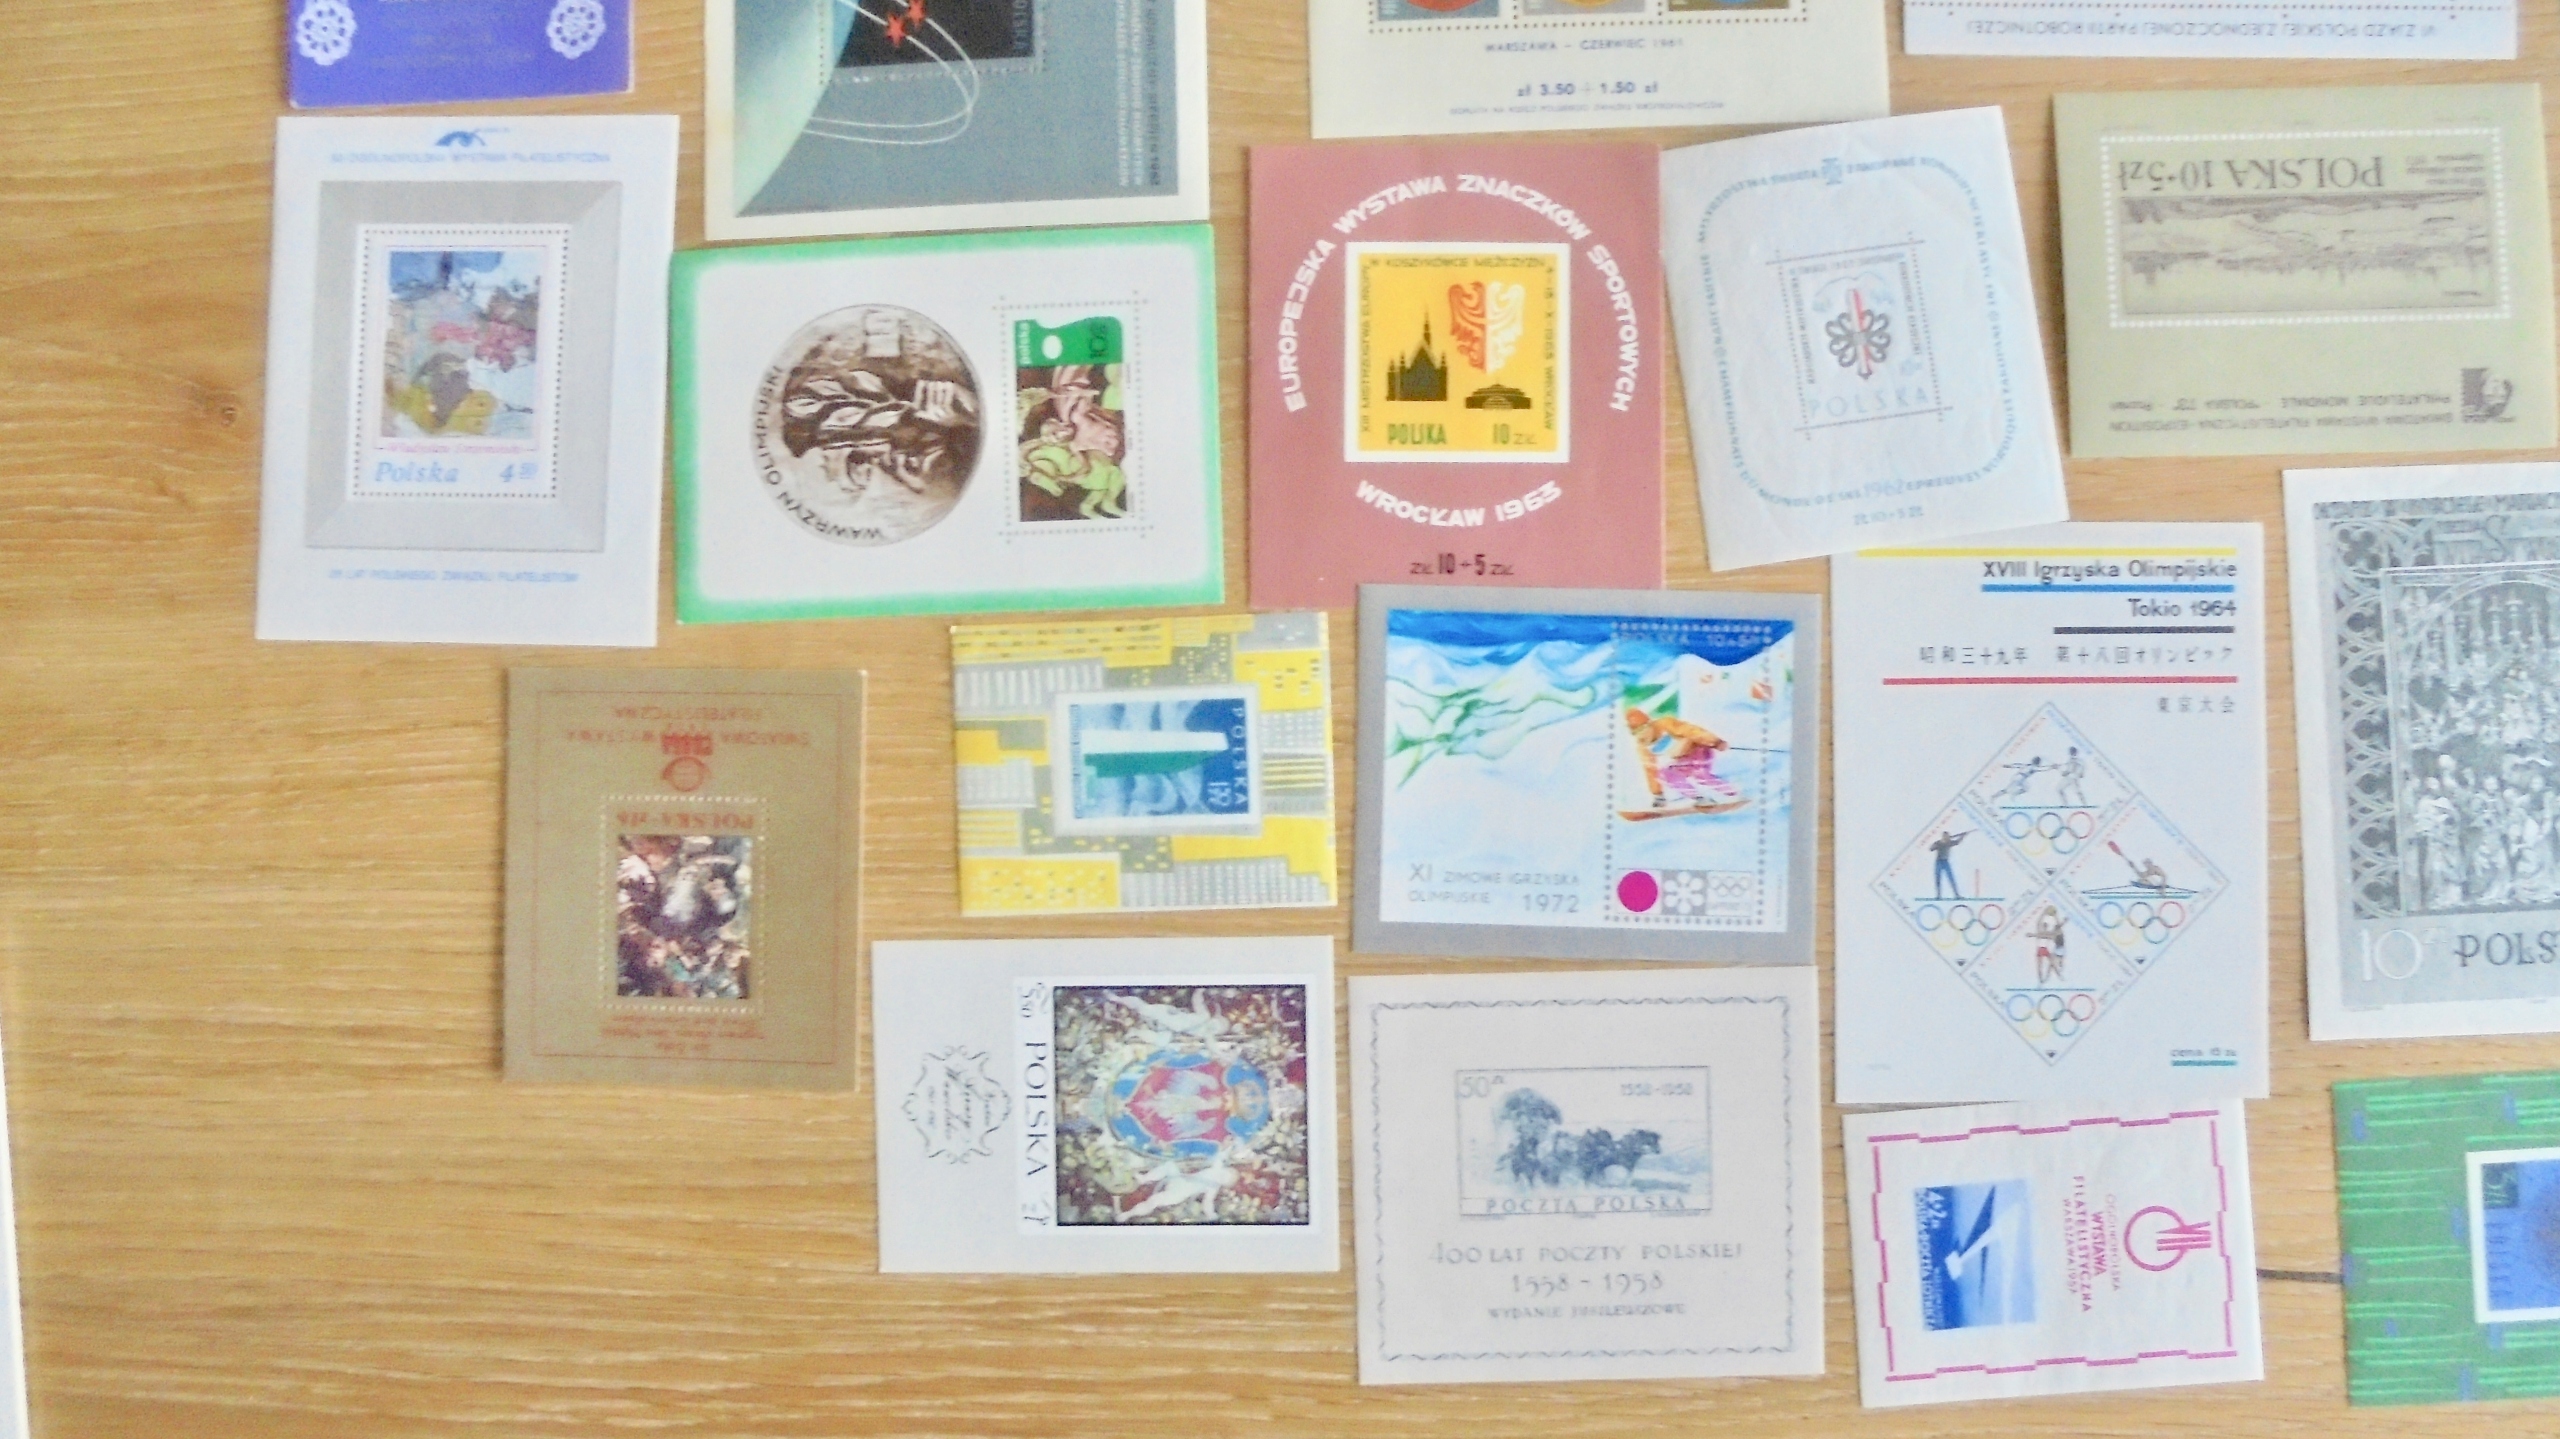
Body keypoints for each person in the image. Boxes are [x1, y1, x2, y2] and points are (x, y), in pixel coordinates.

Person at [1624, 707, 1737, 809]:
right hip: (1683, 759)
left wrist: (1715, 741)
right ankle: (1699, 798)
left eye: (1643, 729)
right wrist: (1658, 794)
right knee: (1666, 774)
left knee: (1700, 775)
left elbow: (1692, 731)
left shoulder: (1665, 724)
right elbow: (1650, 770)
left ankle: (1732, 793)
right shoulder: (1643, 746)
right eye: (1636, 732)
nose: (1642, 734)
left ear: (1649, 724)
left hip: (1699, 750)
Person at [1928, 828, 1969, 900]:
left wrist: (1963, 836)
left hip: (1946, 862)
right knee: (1938, 879)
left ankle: (1957, 895)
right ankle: (1938, 896)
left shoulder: (1949, 843)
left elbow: (1957, 842)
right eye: (1945, 836)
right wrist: (1934, 845)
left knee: (1951, 878)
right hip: (1939, 862)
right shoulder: (1938, 843)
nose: (1946, 838)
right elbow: (1931, 849)